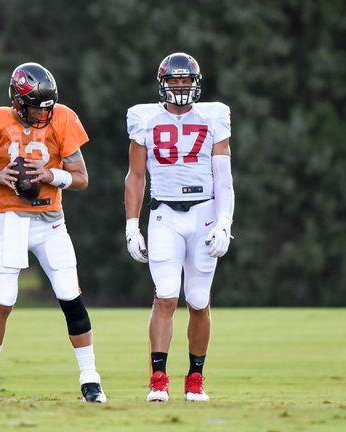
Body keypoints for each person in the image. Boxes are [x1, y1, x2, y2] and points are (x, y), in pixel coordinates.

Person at [0, 62, 106, 403]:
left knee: (71, 297)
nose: (42, 115)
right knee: (4, 301)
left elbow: (82, 178)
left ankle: (91, 379)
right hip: (12, 219)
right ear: (16, 101)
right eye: (34, 108)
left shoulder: (63, 118)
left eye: (46, 108)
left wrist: (49, 175)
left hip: (51, 221)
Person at [124, 52, 234, 402]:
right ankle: (158, 379)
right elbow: (136, 176)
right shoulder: (144, 118)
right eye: (175, 81)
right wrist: (131, 225)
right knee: (167, 294)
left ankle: (195, 379)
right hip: (164, 214)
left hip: (203, 213)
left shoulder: (213, 116)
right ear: (164, 84)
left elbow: (223, 179)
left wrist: (225, 222)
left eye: (186, 81)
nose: (181, 87)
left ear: (196, 83)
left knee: (199, 300)